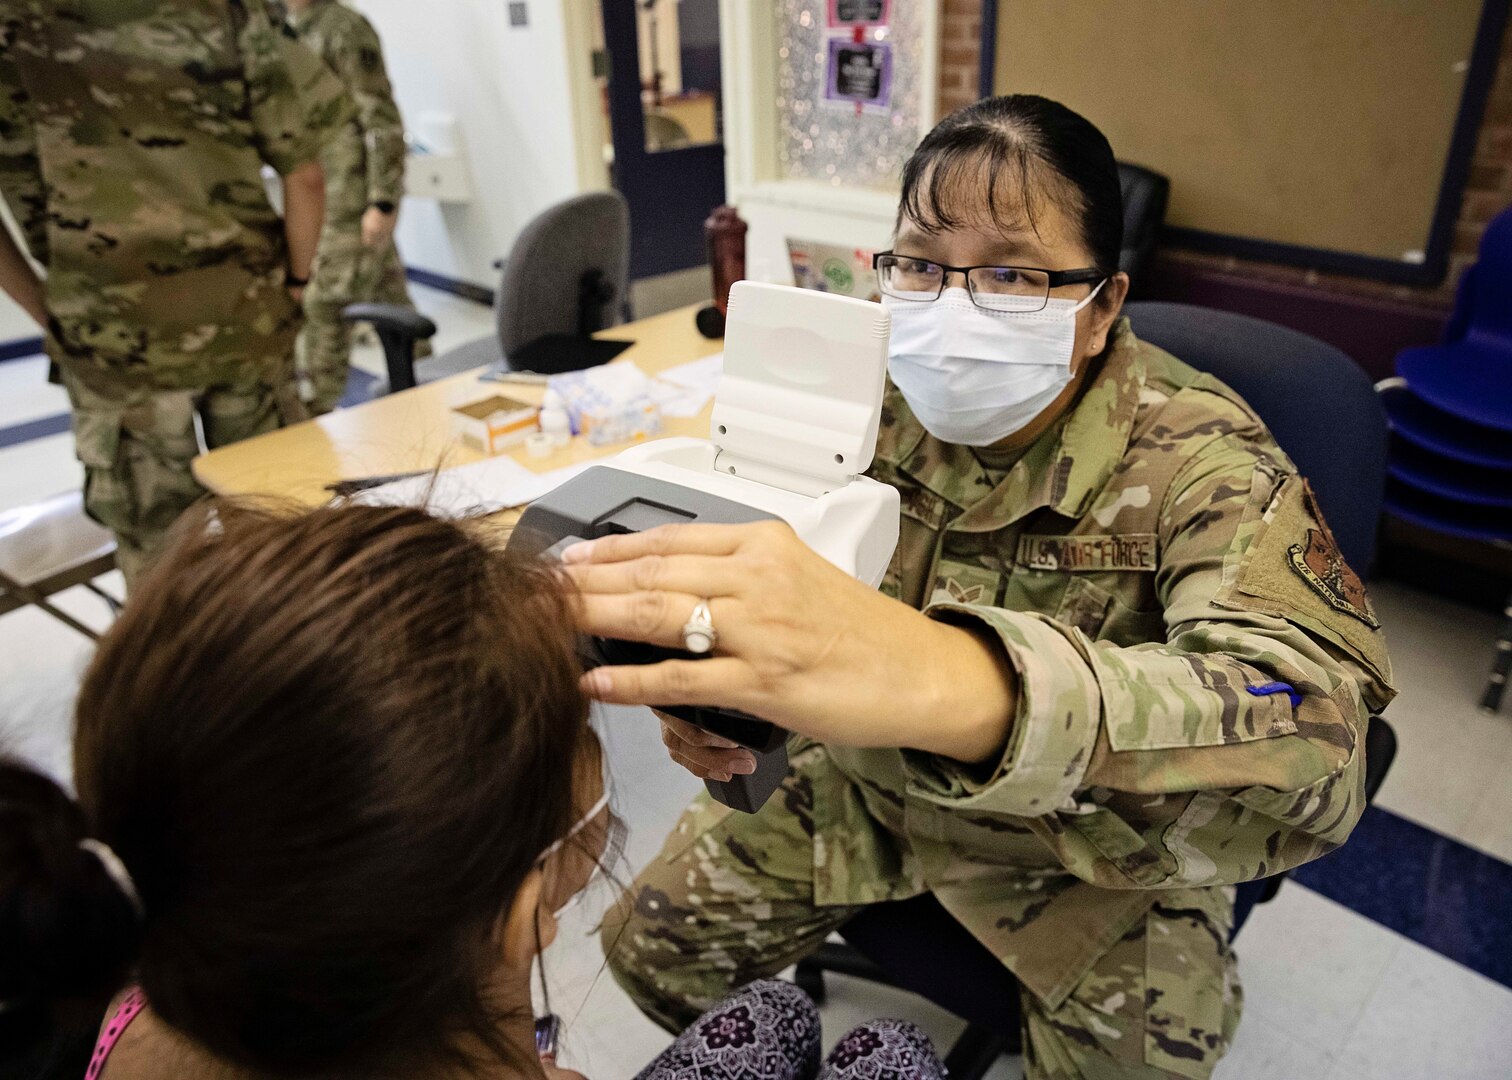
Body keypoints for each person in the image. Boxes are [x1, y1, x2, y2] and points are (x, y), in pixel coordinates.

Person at [569, 95, 1397, 1079]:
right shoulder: (864, 401)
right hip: (867, 787)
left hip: (1086, 849)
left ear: (1101, 309)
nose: (952, 307)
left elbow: (1321, 741)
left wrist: (971, 686)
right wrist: (732, 695)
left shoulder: (1202, 462)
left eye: (1010, 272)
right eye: (921, 263)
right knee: (645, 954)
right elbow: (773, 566)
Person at [0, 500, 948, 1080]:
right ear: (522, 910)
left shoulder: (143, 973)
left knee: (777, 1015)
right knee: (892, 1056)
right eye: (574, 724)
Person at [0, 0, 350, 586]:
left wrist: (50, 306)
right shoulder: (230, 11)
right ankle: (284, 667)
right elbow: (306, 175)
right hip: (247, 320)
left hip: (110, 338)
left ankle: (179, 672)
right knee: (273, 528)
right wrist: (295, 281)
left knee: (158, 554)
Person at [283, 0, 428, 415]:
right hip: (322, 194)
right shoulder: (285, 27)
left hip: (349, 199)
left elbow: (380, 118)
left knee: (325, 308)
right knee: (392, 301)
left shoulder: (343, 28)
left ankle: (316, 414)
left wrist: (383, 200)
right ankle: (431, 385)